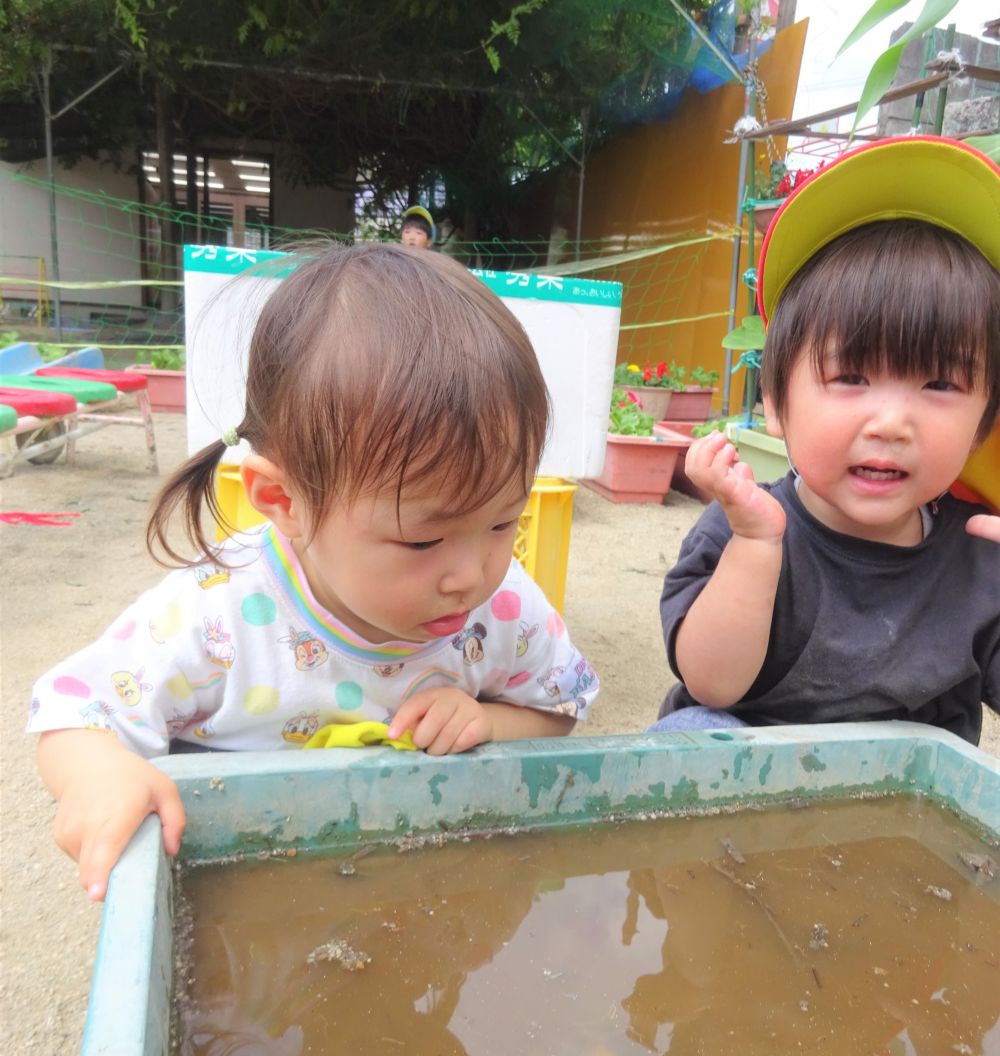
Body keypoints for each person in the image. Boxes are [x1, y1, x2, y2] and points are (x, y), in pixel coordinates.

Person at [29, 243, 598, 900]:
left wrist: (488, 720)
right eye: (422, 540)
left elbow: (560, 703)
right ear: (283, 502)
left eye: (505, 522)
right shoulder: (220, 615)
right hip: (253, 891)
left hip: (412, 894)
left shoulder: (499, 609)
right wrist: (98, 775)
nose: (471, 574)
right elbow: (73, 709)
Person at [652, 137, 1000, 741]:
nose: (891, 422)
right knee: (689, 734)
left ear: (986, 422)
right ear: (776, 403)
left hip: (895, 814)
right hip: (740, 797)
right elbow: (710, 684)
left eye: (940, 382)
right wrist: (757, 545)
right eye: (851, 377)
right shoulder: (741, 526)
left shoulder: (980, 560)